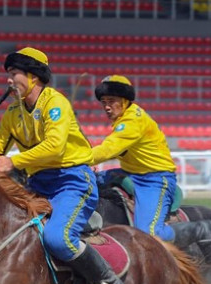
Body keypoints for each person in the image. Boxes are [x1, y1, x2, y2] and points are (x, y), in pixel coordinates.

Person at [0, 47, 126, 284]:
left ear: (34, 76)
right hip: (39, 183)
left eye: (14, 73)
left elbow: (54, 146)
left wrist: (13, 162)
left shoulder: (56, 103)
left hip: (73, 182)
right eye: (8, 74)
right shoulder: (13, 112)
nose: (8, 80)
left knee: (57, 239)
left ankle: (110, 283)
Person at [90, 75, 211, 251]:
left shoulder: (133, 121)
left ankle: (203, 229)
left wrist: (76, 159)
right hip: (129, 173)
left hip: (155, 179)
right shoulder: (123, 118)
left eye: (112, 101)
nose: (107, 107)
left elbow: (109, 149)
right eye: (103, 102)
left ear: (125, 100)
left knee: (148, 234)